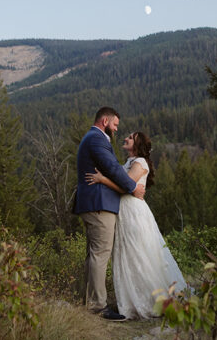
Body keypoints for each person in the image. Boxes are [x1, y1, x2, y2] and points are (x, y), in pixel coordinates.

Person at [86, 131, 187, 320]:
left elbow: (126, 186)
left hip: (133, 213)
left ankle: (155, 301)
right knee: (128, 255)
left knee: (139, 253)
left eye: (130, 137)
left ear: (137, 144)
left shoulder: (139, 162)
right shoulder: (130, 163)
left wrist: (102, 180)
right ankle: (133, 300)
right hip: (124, 211)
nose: (126, 138)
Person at [72, 106, 146, 321]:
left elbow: (112, 168)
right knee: (100, 253)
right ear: (105, 121)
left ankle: (88, 302)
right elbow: (112, 169)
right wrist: (132, 188)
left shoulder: (95, 138)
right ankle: (97, 306)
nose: (116, 129)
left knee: (94, 254)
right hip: (98, 203)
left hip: (95, 202)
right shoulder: (97, 139)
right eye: (115, 125)